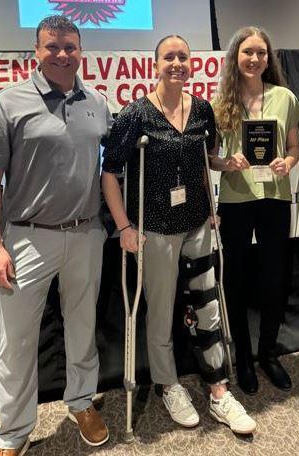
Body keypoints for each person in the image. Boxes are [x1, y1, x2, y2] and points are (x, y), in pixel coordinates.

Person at [0, 15, 111, 455]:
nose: (63, 54)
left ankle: (82, 402)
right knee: (17, 343)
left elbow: (111, 169)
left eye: (70, 46)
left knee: (83, 330)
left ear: (80, 50)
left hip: (87, 235)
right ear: (36, 50)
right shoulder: (10, 102)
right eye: (53, 46)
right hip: (28, 238)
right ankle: (13, 432)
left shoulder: (98, 102)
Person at [102, 35, 256, 434]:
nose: (177, 63)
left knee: (208, 306)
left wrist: (228, 165)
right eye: (169, 57)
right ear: (155, 64)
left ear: (190, 65)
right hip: (155, 230)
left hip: (198, 224)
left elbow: (208, 161)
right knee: (161, 310)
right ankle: (168, 384)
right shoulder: (135, 114)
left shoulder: (202, 109)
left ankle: (219, 390)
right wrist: (123, 227)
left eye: (183, 57)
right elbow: (109, 172)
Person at [210, 27, 299, 394]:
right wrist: (226, 163)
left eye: (261, 53)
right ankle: (244, 359)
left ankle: (268, 354)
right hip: (235, 201)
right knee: (236, 279)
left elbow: (295, 148)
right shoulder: (221, 105)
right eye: (248, 52)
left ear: (269, 58)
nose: (255, 59)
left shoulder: (284, 97)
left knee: (274, 278)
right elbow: (212, 159)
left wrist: (288, 162)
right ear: (236, 56)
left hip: (276, 199)